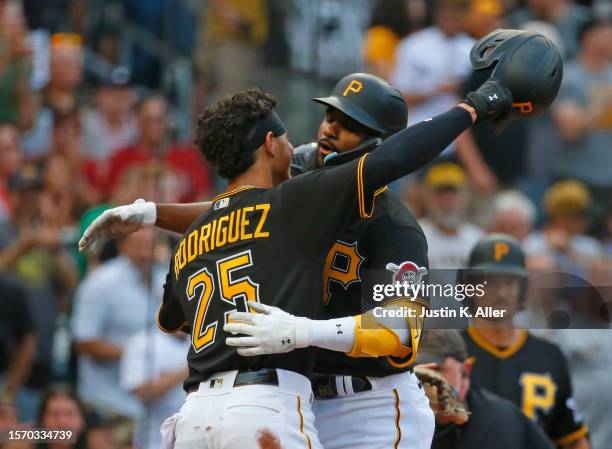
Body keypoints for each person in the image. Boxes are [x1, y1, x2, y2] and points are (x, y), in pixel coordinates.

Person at [81, 29, 562, 449]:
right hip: (296, 398)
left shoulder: (393, 223)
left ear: (380, 143)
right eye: (330, 114)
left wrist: (304, 331)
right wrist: (151, 213)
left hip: (368, 404)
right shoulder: (298, 190)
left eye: (349, 123)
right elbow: (239, 211)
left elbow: (399, 332)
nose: (331, 127)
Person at [461, 234, 591, 449]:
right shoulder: (449, 353)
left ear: (522, 289)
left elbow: (574, 438)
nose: (500, 293)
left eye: (509, 282)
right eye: (490, 282)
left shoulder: (549, 355)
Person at [71, 228, 164, 420]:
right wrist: (138, 354)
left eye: (150, 240)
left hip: (158, 407)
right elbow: (83, 342)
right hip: (108, 403)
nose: (145, 246)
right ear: (121, 244)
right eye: (138, 241)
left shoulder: (166, 278)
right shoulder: (100, 282)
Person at [415, 329, 556, 449]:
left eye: (437, 369)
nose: (427, 378)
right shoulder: (410, 414)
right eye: (420, 369)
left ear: (465, 371)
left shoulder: (496, 422)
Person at [120, 330, 189, 449]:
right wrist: (187, 370)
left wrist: (166, 379)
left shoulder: (206, 339)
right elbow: (144, 394)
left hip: (196, 436)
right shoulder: (142, 341)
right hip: (154, 440)